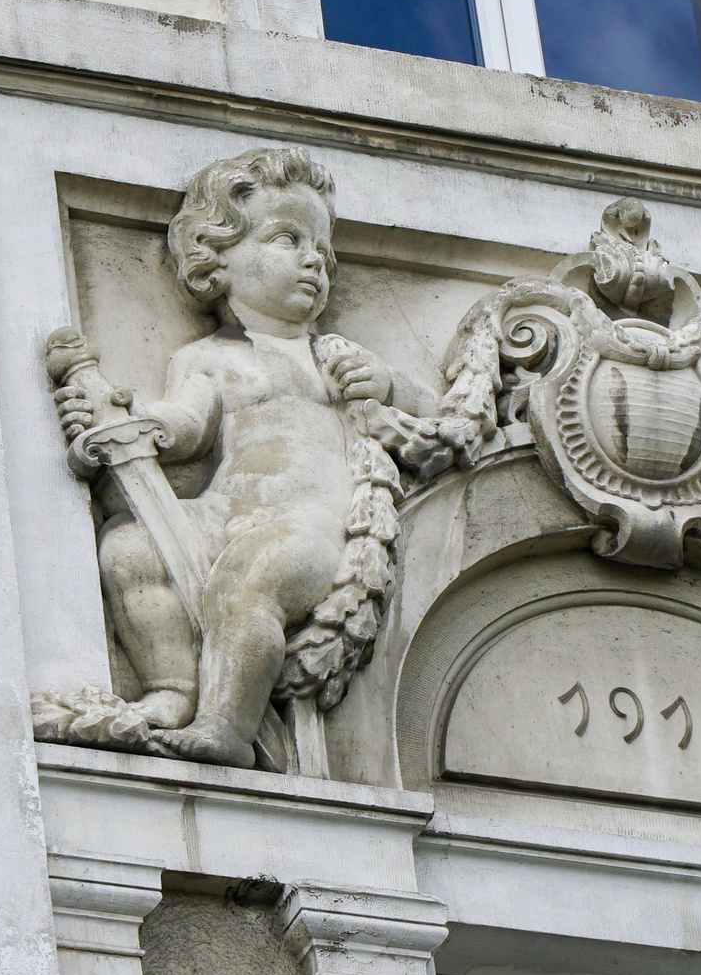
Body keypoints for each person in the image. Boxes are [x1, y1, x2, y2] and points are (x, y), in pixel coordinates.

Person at [52, 147, 438, 764]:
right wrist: (129, 424)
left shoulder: (330, 357)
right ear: (216, 259)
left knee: (245, 583)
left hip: (309, 525)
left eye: (323, 250)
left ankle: (227, 727)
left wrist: (388, 384)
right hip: (224, 512)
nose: (314, 259)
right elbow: (186, 426)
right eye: (287, 238)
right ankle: (175, 688)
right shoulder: (207, 358)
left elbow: (434, 420)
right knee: (128, 548)